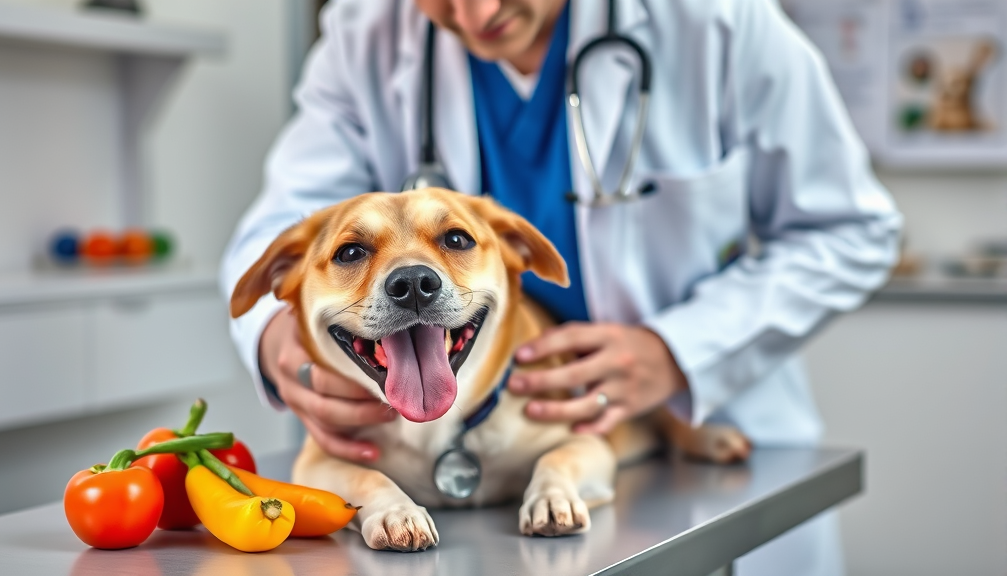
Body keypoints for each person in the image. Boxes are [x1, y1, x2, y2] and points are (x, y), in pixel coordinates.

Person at [220, 0, 901, 573]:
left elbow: (852, 229)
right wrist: (285, 339)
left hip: (703, 439)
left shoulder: (716, 21)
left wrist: (678, 350)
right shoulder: (368, 32)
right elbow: (283, 228)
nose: (480, 12)